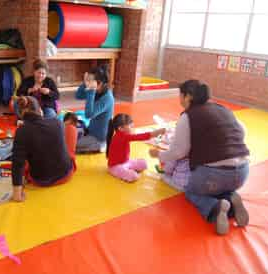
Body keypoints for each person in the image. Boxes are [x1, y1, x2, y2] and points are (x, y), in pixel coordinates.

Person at [149, 80, 250, 235]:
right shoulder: (222, 109)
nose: (179, 99)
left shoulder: (188, 116)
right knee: (215, 186)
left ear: (188, 96)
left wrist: (158, 154)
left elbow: (178, 152)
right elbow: (243, 131)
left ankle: (217, 208)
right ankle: (231, 197)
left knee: (193, 191)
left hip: (215, 176)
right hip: (242, 172)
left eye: (180, 95)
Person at [12, 96, 74, 202]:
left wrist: (17, 194)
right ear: (40, 110)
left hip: (41, 180)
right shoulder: (57, 122)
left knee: (23, 155)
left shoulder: (21, 132)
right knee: (72, 130)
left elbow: (18, 164)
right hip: (66, 174)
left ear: (21, 116)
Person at [107, 114, 165, 182]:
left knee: (143, 164)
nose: (132, 128)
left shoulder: (123, 135)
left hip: (126, 162)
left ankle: (127, 169)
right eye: (130, 126)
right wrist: (155, 133)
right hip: (115, 166)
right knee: (133, 176)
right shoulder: (121, 137)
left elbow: (137, 136)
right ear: (120, 128)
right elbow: (138, 137)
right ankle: (126, 171)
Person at [76, 66, 114, 153]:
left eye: (90, 80)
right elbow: (78, 96)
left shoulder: (107, 98)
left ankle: (100, 146)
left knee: (67, 144)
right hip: (90, 131)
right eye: (88, 80)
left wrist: (91, 91)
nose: (88, 82)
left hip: (98, 138)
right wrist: (84, 83)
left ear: (99, 83)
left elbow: (88, 114)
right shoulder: (97, 90)